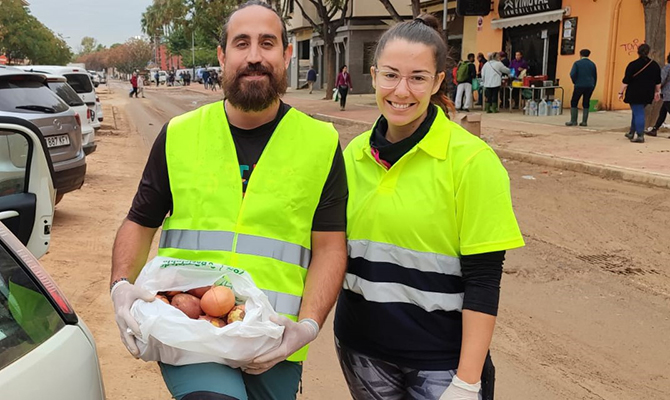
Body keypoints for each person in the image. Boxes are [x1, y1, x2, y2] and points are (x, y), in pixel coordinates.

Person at [110, 2, 348, 399]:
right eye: (242, 43)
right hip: (192, 335)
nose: (254, 56)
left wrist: (306, 327)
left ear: (287, 55)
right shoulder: (179, 135)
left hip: (272, 340)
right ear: (222, 56)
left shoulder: (320, 144)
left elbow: (330, 247)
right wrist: (120, 287)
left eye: (267, 43)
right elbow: (139, 221)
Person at [335, 14, 524, 400]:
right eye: (390, 75)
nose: (401, 90)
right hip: (362, 352)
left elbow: (484, 280)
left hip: (441, 363)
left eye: (418, 77)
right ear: (373, 76)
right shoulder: (353, 155)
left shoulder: (472, 161)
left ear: (439, 81)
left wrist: (468, 381)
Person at [619, 43, 661, 143]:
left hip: (634, 92)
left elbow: (626, 81)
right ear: (648, 52)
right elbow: (658, 81)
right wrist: (657, 92)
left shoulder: (632, 64)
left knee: (638, 113)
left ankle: (640, 135)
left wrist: (620, 92)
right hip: (648, 93)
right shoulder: (654, 65)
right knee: (637, 111)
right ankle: (631, 132)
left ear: (638, 52)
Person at [565, 49, 597, 126]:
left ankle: (573, 121)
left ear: (580, 54)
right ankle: (584, 121)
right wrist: (593, 85)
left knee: (574, 101)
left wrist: (575, 81)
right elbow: (595, 76)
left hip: (579, 85)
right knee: (586, 102)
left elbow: (572, 74)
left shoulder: (577, 63)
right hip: (590, 85)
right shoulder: (592, 64)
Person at [645, 52, 670, 137]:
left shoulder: (668, 67)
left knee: (666, 110)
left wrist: (656, 88)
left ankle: (654, 129)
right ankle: (655, 129)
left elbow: (662, 79)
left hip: (668, 93)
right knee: (662, 111)